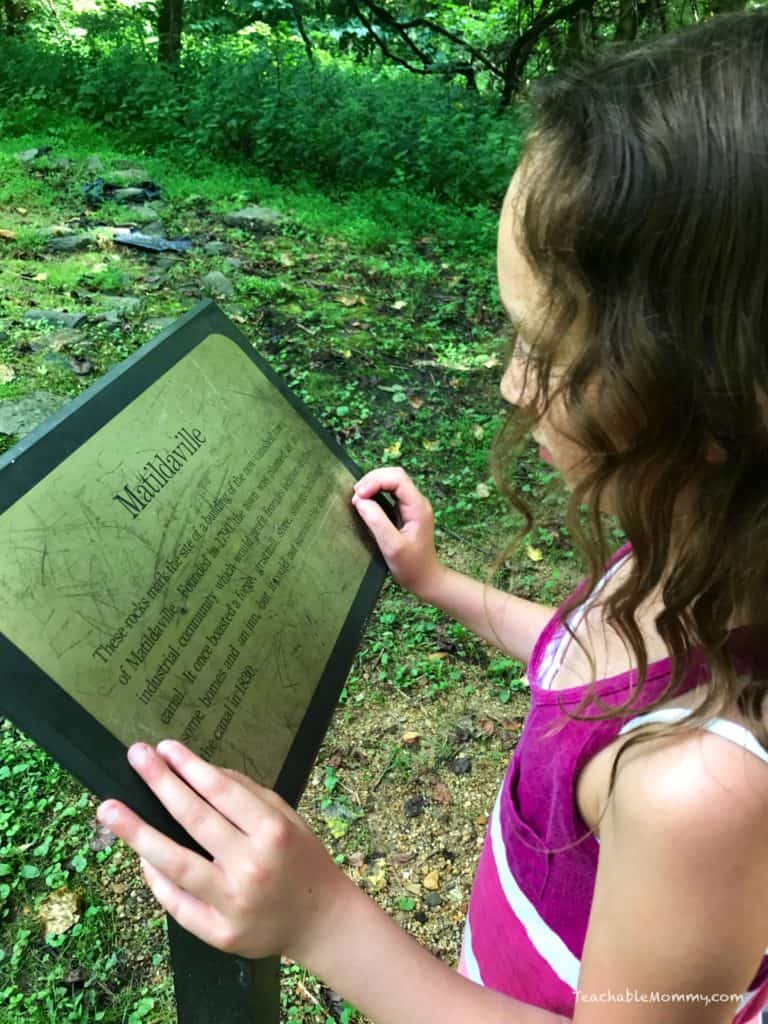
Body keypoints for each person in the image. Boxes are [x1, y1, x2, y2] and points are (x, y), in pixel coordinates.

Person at [97, 11, 768, 1023]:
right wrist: (440, 582)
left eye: (545, 350)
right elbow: (593, 654)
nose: (508, 382)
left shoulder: (702, 795)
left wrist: (325, 921)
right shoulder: (700, 547)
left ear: (706, 396)